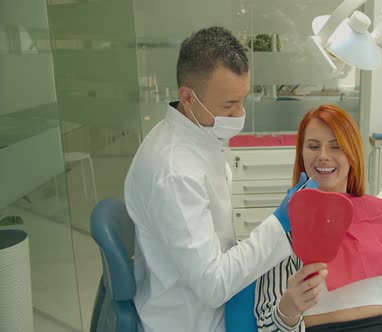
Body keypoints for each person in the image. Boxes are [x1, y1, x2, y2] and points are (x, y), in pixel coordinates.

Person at [124, 26, 322, 332]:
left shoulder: (195, 133)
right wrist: (280, 224)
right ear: (187, 97)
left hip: (209, 297)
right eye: (229, 105)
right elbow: (213, 285)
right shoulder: (174, 173)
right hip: (191, 320)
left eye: (243, 99)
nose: (239, 114)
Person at [254, 105, 382, 332]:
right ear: (301, 154)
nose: (323, 156)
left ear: (352, 154)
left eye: (336, 147)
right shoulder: (282, 227)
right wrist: (287, 310)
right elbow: (267, 326)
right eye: (313, 146)